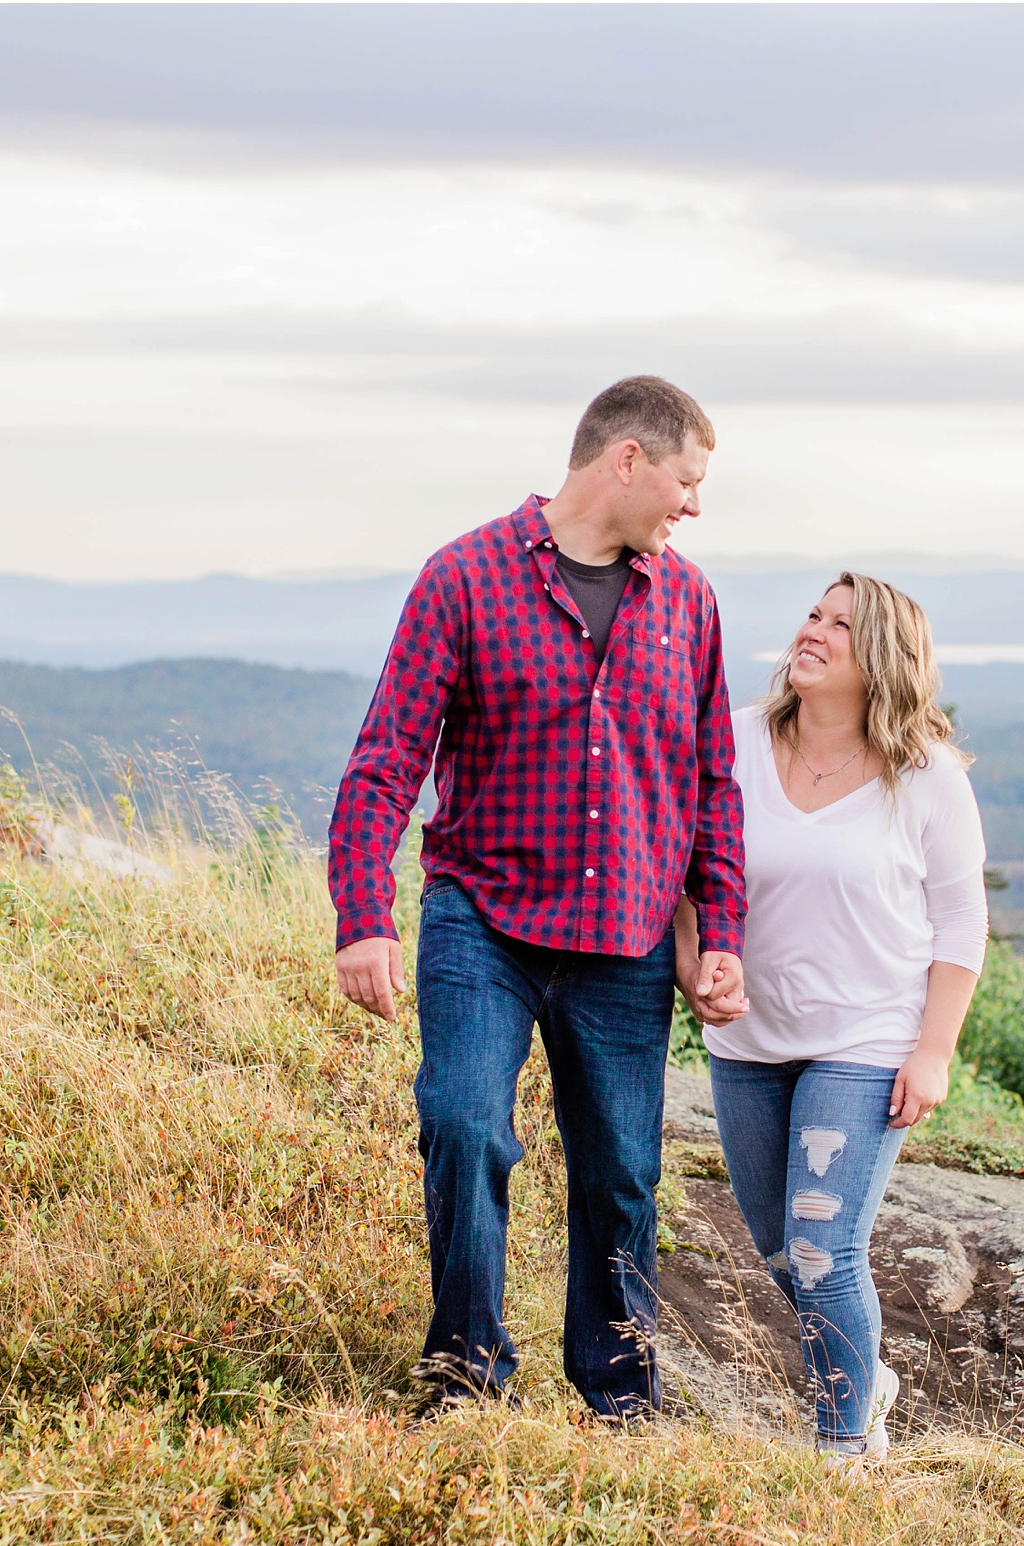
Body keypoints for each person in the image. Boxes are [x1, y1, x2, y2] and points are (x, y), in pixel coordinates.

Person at [328, 375, 747, 1418]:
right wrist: (362, 919)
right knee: (465, 1126)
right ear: (628, 461)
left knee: (621, 1177)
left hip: (627, 937)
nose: (693, 506)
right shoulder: (463, 579)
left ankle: (620, 1397)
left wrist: (719, 930)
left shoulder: (688, 603)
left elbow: (710, 785)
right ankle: (466, 1378)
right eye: (687, 481)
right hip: (486, 922)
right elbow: (386, 761)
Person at [674, 572, 988, 1463]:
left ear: (883, 658)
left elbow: (962, 924)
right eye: (814, 614)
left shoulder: (925, 778)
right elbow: (683, 876)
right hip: (748, 1039)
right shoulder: (731, 743)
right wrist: (692, 965)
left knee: (822, 1251)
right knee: (781, 1255)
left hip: (865, 1039)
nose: (813, 631)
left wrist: (934, 1051)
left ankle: (841, 1448)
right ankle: (871, 1378)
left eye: (841, 626)